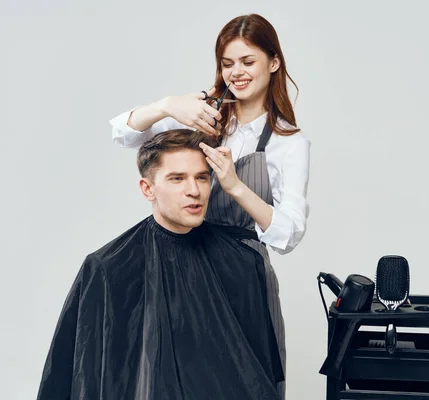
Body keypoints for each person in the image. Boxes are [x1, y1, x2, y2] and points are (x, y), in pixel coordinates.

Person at [109, 13, 310, 398]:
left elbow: (287, 235)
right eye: (227, 63)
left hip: (240, 281)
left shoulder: (288, 143)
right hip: (179, 270)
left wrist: (235, 186)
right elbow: (123, 134)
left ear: (273, 62)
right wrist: (169, 106)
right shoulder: (201, 116)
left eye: (248, 62)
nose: (237, 72)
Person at [37, 128, 284, 399]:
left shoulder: (242, 264)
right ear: (148, 189)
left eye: (201, 178)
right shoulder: (108, 268)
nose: (194, 190)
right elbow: (85, 375)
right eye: (177, 179)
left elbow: (258, 376)